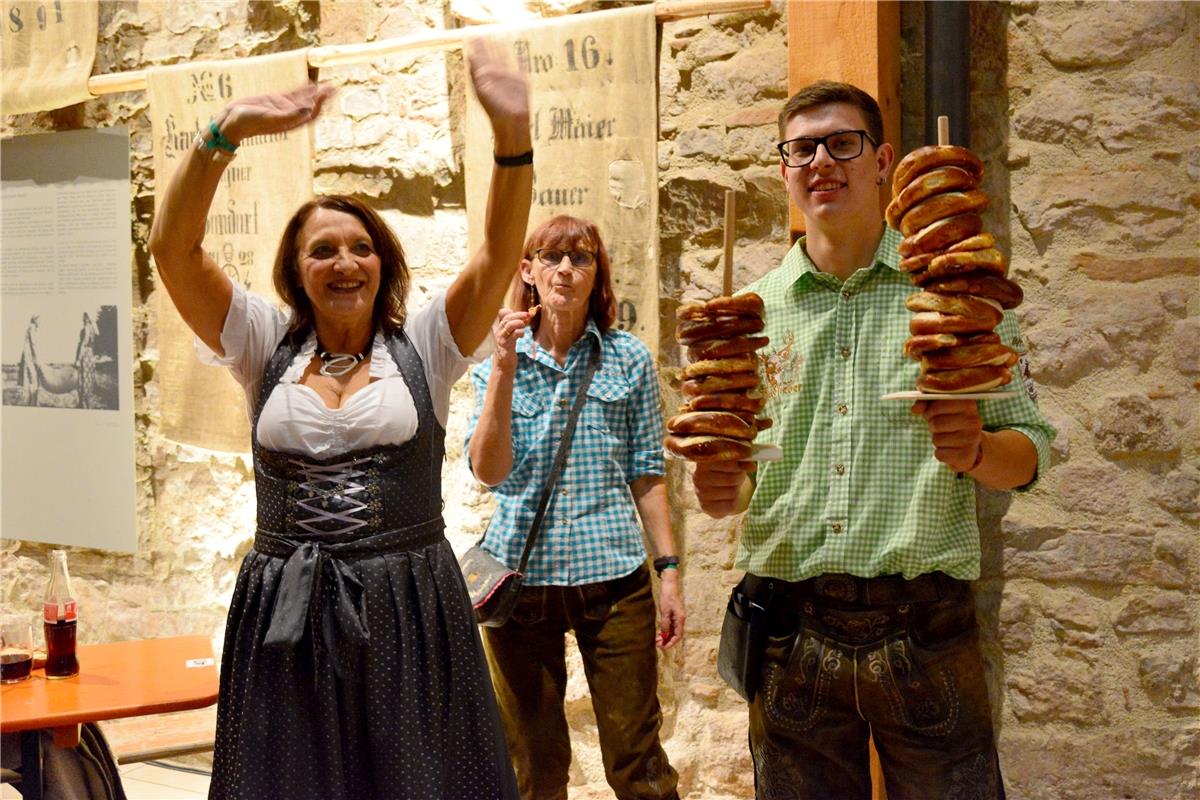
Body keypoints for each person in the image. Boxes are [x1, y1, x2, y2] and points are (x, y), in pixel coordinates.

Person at [147, 42, 531, 800]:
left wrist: (513, 138)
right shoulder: (263, 345)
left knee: (418, 782)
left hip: (411, 606)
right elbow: (173, 248)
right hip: (288, 608)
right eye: (323, 251)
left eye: (362, 248)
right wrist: (227, 129)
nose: (345, 262)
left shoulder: (425, 344)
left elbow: (496, 256)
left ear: (383, 264)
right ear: (297, 272)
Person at [688, 81, 1055, 798]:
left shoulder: (958, 298)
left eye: (842, 142)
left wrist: (978, 448)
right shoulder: (749, 318)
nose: (821, 160)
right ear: (785, 170)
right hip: (789, 628)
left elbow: (1031, 451)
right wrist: (717, 488)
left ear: (883, 159)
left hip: (925, 627)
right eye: (801, 148)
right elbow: (733, 489)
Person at [464, 215, 684, 800]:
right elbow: (487, 471)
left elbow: (647, 473)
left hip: (613, 581)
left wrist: (669, 573)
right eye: (552, 256)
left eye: (580, 257)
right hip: (520, 585)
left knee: (637, 761)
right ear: (528, 271)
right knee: (535, 765)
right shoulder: (494, 368)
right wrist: (504, 372)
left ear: (597, 275)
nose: (566, 268)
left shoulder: (628, 360)